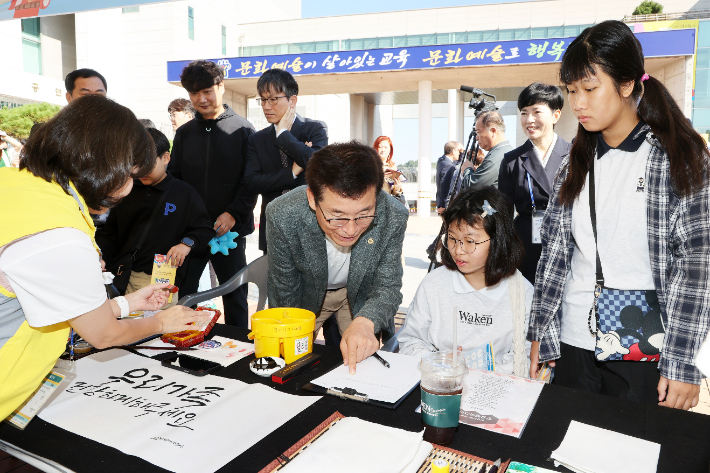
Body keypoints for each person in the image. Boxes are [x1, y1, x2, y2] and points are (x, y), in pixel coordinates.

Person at [529, 20, 710, 410]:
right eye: (572, 90)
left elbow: (698, 265)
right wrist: (541, 334)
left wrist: (683, 362)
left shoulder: (676, 157)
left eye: (590, 89)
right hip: (574, 342)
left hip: (644, 346)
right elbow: (554, 257)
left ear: (626, 84)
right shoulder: (573, 162)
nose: (577, 103)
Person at [0, 95, 213, 420]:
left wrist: (130, 304)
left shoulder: (15, 186)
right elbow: (104, 334)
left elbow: (69, 307)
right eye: (129, 174)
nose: (130, 187)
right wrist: (161, 321)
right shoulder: (59, 234)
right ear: (103, 165)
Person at [266, 141, 409, 374]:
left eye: (364, 215)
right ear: (312, 199)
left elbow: (388, 286)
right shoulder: (283, 214)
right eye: (337, 216)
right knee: (290, 365)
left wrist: (365, 322)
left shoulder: (393, 215)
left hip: (358, 294)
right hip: (306, 292)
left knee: (361, 366)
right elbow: (285, 288)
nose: (350, 230)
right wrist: (286, 336)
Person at [399, 187, 532, 376]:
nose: (458, 250)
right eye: (452, 238)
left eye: (470, 241)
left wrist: (471, 373)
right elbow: (410, 339)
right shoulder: (434, 284)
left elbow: (526, 357)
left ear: (498, 240)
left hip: (496, 388)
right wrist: (439, 363)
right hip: (439, 383)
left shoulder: (521, 293)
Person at [169, 60, 257, 328]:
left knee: (234, 294)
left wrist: (233, 213)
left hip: (228, 231)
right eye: (194, 93)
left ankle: (239, 347)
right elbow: (176, 180)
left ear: (221, 87)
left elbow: (249, 181)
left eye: (207, 91)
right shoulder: (184, 134)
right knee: (186, 293)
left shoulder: (243, 130)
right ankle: (186, 340)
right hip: (192, 231)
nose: (201, 99)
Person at [96, 128, 214, 299]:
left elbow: (204, 229)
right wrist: (102, 257)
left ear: (165, 158)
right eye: (134, 164)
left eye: (146, 164)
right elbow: (111, 234)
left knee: (160, 325)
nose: (139, 171)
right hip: (123, 277)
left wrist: (186, 244)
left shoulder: (183, 193)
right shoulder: (126, 190)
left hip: (163, 281)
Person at [244, 68, 328, 253]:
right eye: (263, 100)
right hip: (273, 228)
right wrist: (292, 172)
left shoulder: (315, 129)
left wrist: (283, 134)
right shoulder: (256, 140)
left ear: (293, 100)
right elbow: (252, 183)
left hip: (310, 226)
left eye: (273, 99)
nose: (266, 106)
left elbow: (318, 164)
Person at [498, 83, 571, 284]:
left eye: (537, 112)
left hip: (567, 244)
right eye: (524, 113)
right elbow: (503, 214)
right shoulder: (512, 160)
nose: (529, 120)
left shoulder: (575, 156)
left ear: (556, 115)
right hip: (526, 246)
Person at [460, 111, 513, 191]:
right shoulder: (507, 150)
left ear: (493, 131)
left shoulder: (494, 158)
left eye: (478, 132)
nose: (477, 138)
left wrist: (467, 169)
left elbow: (472, 188)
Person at [373, 136, 406, 206]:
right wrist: (380, 177)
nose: (383, 150)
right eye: (380, 147)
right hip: (373, 203)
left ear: (390, 150)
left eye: (386, 147)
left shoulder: (392, 167)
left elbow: (395, 193)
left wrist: (397, 188)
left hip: (387, 204)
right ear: (375, 148)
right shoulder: (369, 165)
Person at [435, 141, 461, 215]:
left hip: (443, 203)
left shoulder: (443, 161)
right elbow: (445, 186)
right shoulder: (448, 165)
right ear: (453, 151)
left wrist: (462, 152)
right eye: (458, 151)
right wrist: (446, 206)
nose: (459, 153)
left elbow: (457, 163)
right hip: (446, 206)